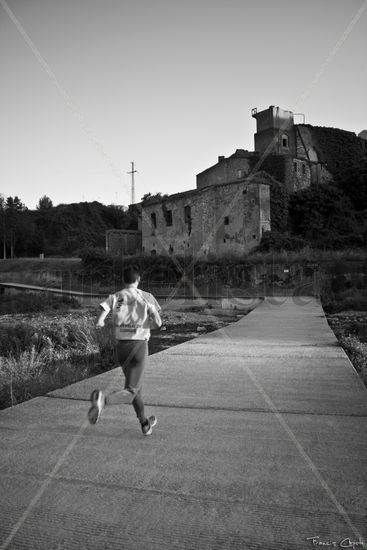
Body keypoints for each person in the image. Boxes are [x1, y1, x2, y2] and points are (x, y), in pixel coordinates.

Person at [87, 266, 162, 436]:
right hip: (139, 348)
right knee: (131, 391)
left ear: (124, 281)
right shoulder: (146, 296)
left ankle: (145, 424)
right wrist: (148, 323)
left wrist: (99, 321)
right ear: (138, 280)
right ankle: (103, 401)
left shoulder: (116, 296)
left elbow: (103, 310)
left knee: (136, 390)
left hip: (121, 348)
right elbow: (158, 323)